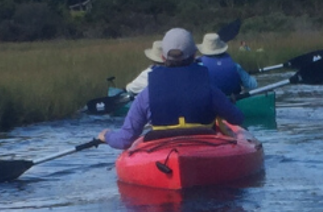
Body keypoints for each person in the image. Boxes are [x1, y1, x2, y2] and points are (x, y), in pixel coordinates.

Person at [101, 28, 245, 150]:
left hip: (162, 155)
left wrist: (106, 135)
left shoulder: (146, 95)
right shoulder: (209, 89)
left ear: (163, 57)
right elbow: (237, 118)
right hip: (204, 148)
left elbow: (124, 141)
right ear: (195, 55)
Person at [196, 32, 258, 98]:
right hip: (233, 103)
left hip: (211, 104)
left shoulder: (198, 68)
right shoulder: (235, 66)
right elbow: (253, 85)